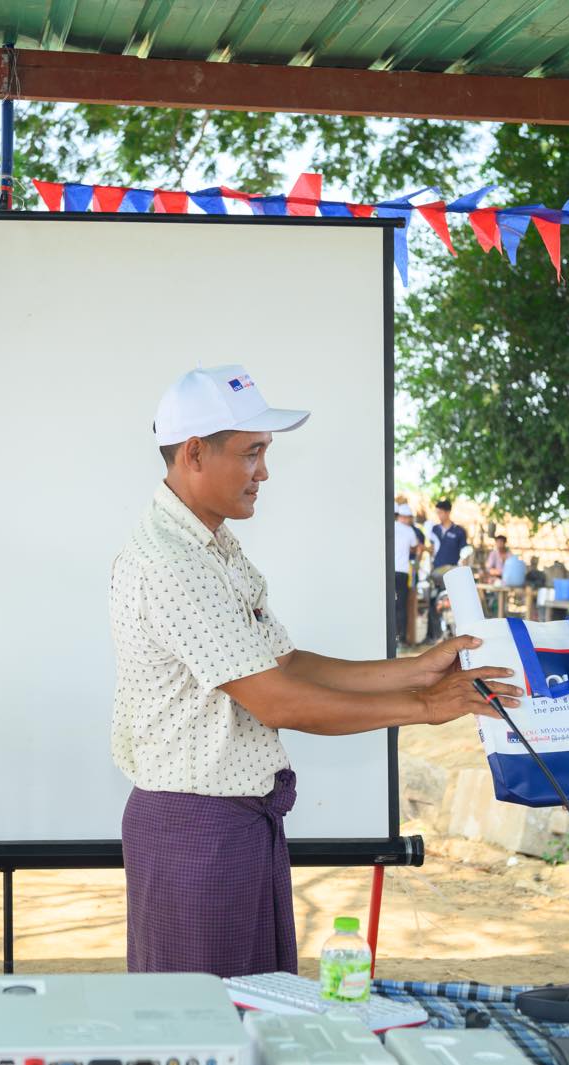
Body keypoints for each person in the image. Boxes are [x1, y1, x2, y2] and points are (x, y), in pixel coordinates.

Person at [110, 364, 518, 978]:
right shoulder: (170, 561)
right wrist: (429, 707)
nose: (264, 473)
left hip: (231, 823)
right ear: (194, 453)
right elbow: (277, 700)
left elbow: (285, 663)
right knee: (206, 1026)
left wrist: (415, 671)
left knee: (257, 1011)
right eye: (252, 453)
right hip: (197, 829)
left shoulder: (213, 546)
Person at [424, 500, 468, 643]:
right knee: (433, 603)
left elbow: (465, 553)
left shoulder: (459, 531)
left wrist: (464, 571)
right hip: (436, 574)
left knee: (454, 604)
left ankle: (455, 635)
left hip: (452, 574)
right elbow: (431, 549)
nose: (439, 515)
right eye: (437, 513)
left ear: (448, 512)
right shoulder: (434, 529)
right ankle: (434, 636)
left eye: (441, 512)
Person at [393, 503, 420, 648]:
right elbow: (415, 547)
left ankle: (391, 637)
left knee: (389, 604)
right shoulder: (410, 531)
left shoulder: (390, 526)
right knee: (401, 606)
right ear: (406, 517)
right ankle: (401, 638)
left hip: (389, 572)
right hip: (402, 572)